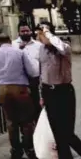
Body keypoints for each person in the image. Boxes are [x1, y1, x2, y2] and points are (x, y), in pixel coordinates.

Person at [0, 31, 39, 159]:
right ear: (10, 40)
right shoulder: (20, 53)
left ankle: (15, 149)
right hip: (20, 88)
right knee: (27, 121)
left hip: (3, 89)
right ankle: (29, 147)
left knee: (11, 121)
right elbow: (32, 72)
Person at [36, 21, 81, 159]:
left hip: (64, 92)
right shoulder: (41, 49)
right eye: (39, 33)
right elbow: (41, 73)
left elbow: (59, 46)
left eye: (41, 33)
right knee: (56, 132)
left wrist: (48, 33)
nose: (39, 36)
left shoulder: (64, 48)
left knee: (67, 132)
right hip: (49, 92)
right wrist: (42, 95)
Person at [13, 21, 43, 119]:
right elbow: (12, 61)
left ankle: (38, 127)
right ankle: (27, 131)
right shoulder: (13, 45)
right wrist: (20, 50)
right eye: (22, 31)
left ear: (31, 31)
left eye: (27, 30)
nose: (25, 33)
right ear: (19, 33)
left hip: (35, 79)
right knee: (23, 106)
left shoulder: (38, 45)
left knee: (36, 103)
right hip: (20, 81)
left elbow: (42, 61)